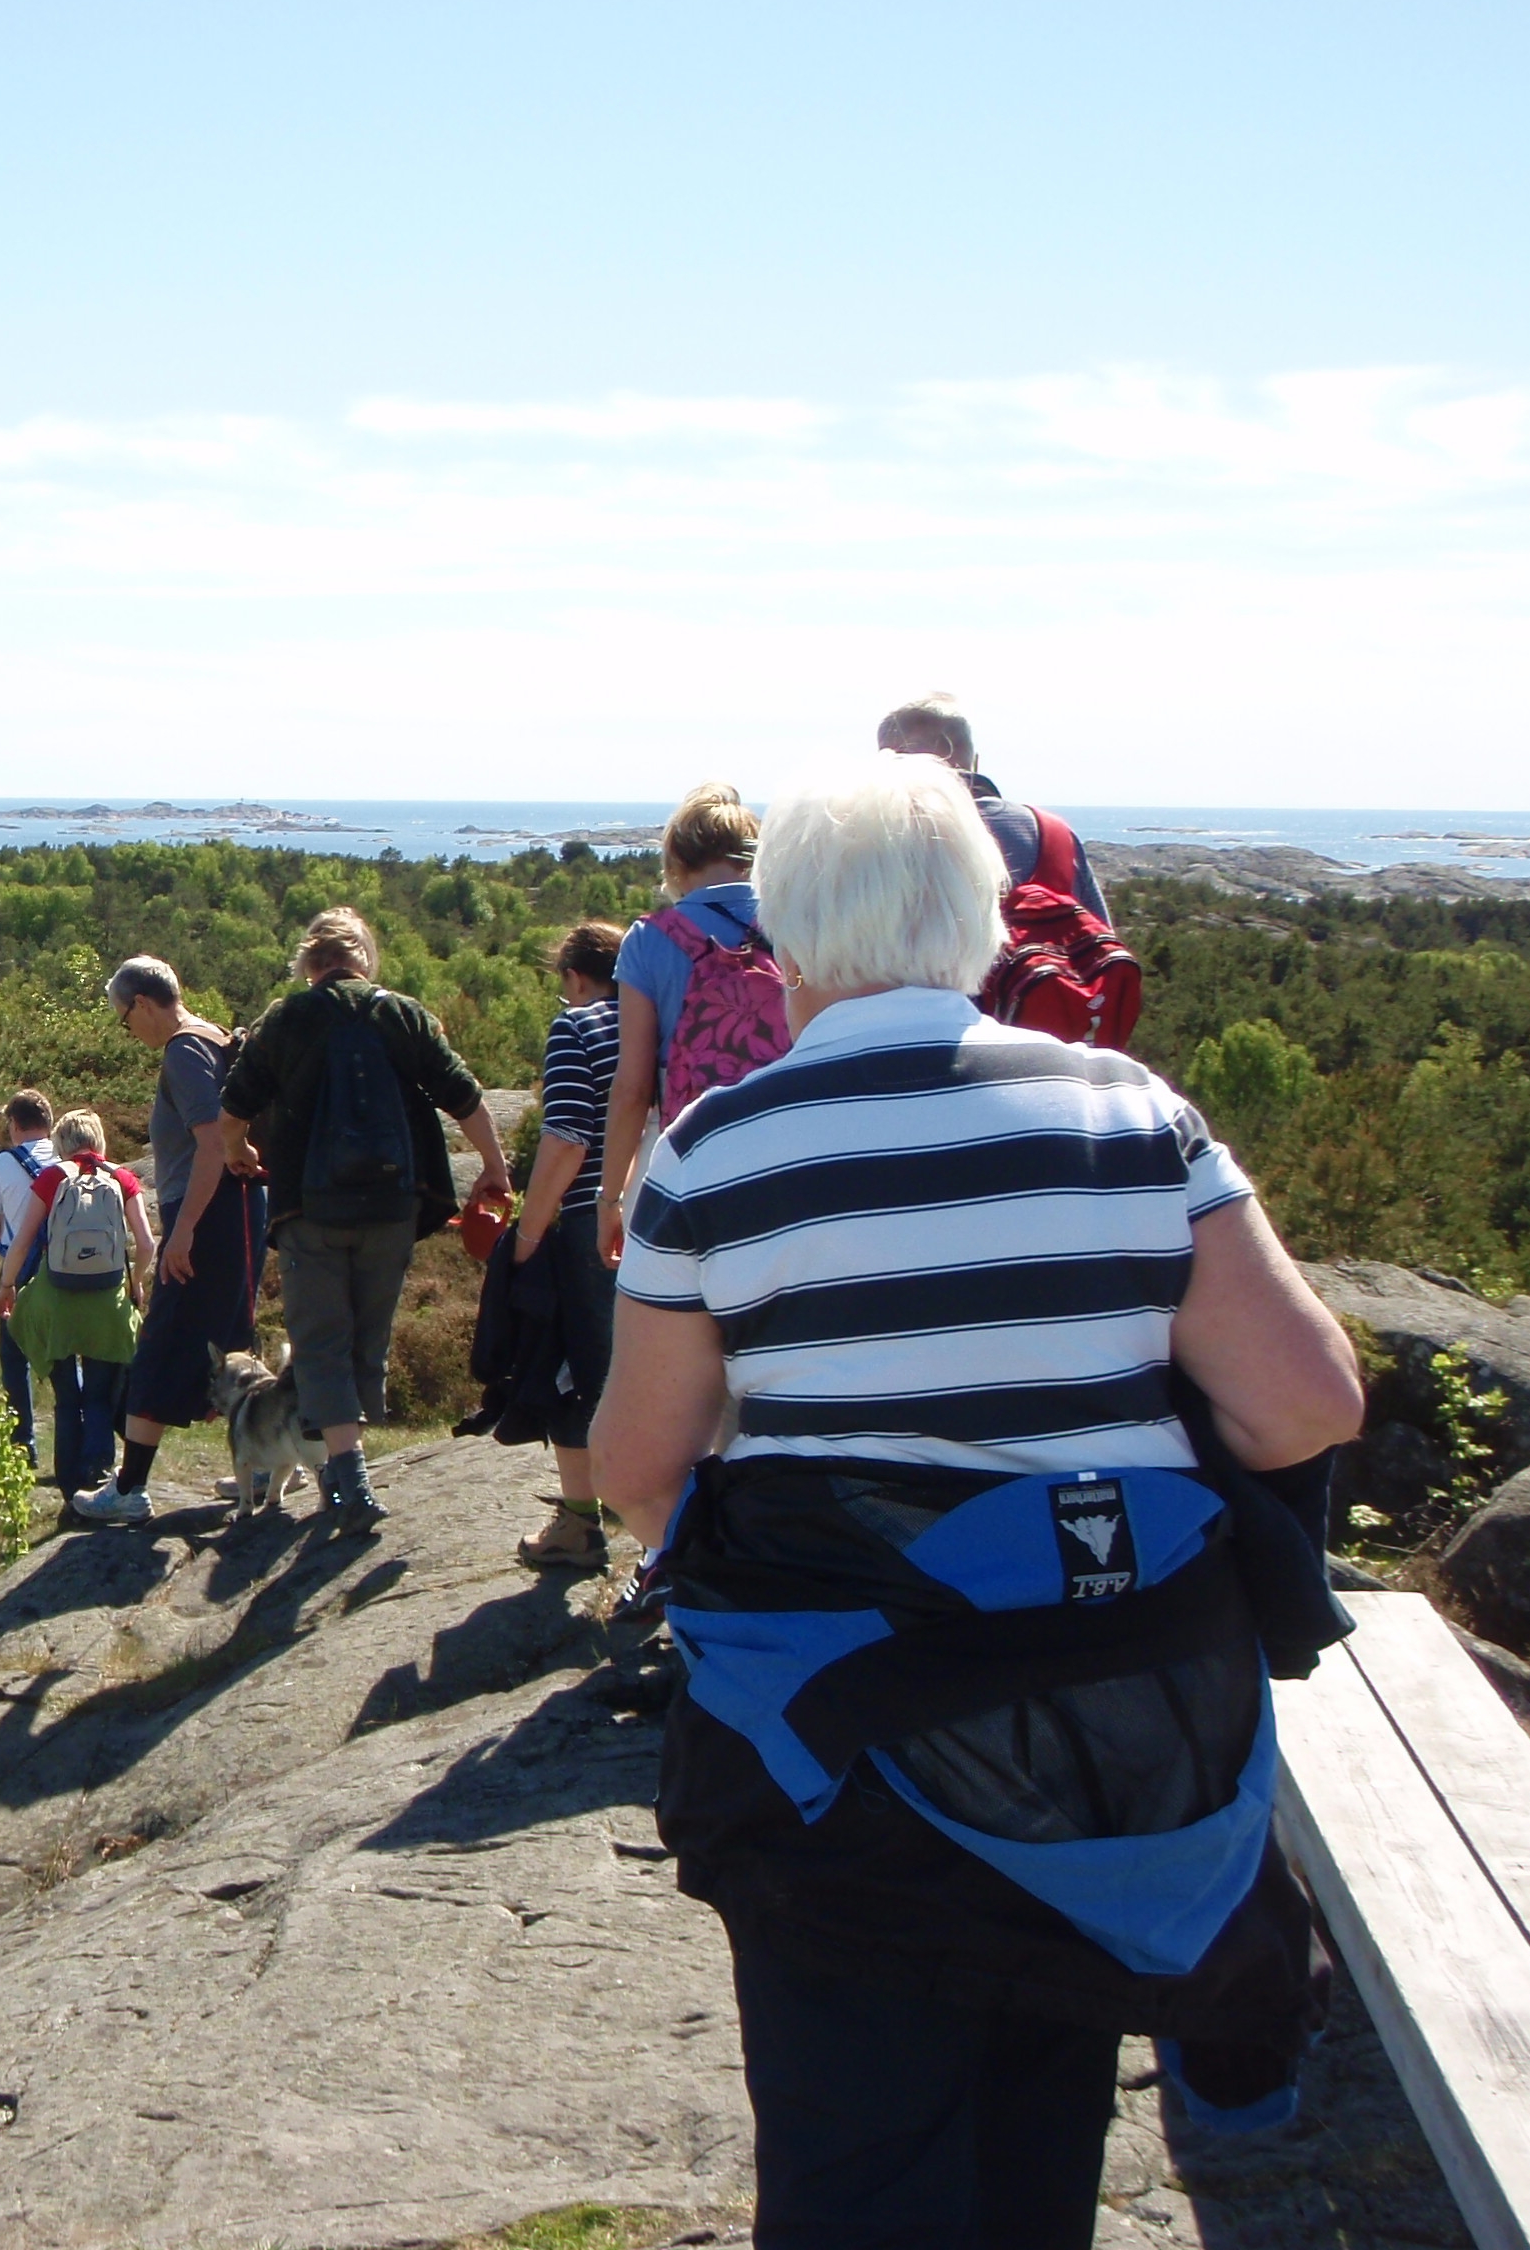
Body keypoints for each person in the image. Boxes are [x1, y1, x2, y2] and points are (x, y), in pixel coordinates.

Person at [590, 753, 1364, 2248]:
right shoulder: (1133, 1114)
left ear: (789, 946)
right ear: (985, 927)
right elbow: (1305, 1405)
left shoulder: (718, 1152)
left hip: (835, 1763)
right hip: (1103, 1737)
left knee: (852, 2166)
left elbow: (638, 1467)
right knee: (1039, 2139)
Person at [217, 910, 512, 1526]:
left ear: (311, 963)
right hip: (392, 1206)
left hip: (310, 1209)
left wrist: (237, 1150)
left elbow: (236, 1102)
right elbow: (464, 1094)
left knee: (320, 1339)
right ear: (363, 960)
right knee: (366, 1337)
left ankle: (346, 1475)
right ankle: (344, 1467)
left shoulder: (287, 1018)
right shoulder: (403, 1014)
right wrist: (493, 1166)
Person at [77, 956, 272, 1526]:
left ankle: (131, 1489)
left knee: (162, 1344)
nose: (127, 1030)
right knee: (233, 1337)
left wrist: (180, 1232)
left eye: (123, 1018)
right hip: (239, 1208)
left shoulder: (183, 1052)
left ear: (142, 1003)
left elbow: (212, 1142)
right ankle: (259, 1467)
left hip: (209, 1214)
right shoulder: (215, 1037)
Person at [597, 782, 785, 1270]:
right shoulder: (797, 926)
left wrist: (611, 1197)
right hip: (785, 1155)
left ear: (677, 863)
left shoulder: (650, 939)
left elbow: (633, 1088)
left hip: (687, 1157)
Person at [512, 920, 624, 1571]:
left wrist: (529, 1233)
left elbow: (567, 1139)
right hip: (665, 1214)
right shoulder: (658, 1019)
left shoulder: (577, 1028)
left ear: (575, 977)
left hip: (590, 1219)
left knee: (577, 1367)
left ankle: (581, 1522)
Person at [0, 1110, 156, 1504]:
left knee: (68, 1399)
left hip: (57, 1303)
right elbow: (148, 1245)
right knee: (100, 1396)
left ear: (62, 1146)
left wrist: (7, 1286)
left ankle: (69, 1487)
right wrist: (135, 1285)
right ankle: (99, 1480)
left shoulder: (52, 1178)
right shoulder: (122, 1178)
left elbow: (23, 1242)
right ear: (100, 1142)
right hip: (108, 1303)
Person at [877, 694, 1110, 921]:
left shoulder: (864, 837)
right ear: (976, 762)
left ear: (884, 763)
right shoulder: (1053, 836)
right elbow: (1100, 945)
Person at [0, 1090, 61, 1467]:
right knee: (67, 1357)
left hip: (20, 1271)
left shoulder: (4, 1164)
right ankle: (83, 1450)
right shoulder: (67, 1158)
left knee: (14, 1356)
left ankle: (22, 1445)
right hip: (66, 1269)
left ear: (14, 1124)